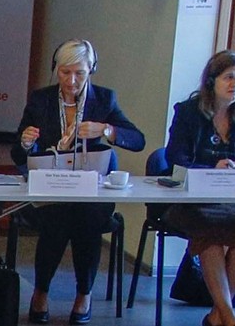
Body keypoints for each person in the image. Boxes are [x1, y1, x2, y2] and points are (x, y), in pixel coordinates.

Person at [12, 38, 145, 325]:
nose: (71, 81)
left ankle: (84, 293)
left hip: (90, 192)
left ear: (91, 70)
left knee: (87, 215)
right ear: (56, 69)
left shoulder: (104, 99)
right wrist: (26, 142)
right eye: (65, 73)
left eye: (79, 73)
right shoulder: (41, 100)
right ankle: (41, 291)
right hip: (52, 188)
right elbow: (17, 154)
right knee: (59, 215)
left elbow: (137, 140)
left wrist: (106, 130)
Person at [163, 50, 235, 326]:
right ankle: (230, 318)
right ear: (212, 81)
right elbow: (176, 158)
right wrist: (212, 168)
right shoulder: (188, 112)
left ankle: (217, 315)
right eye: (229, 77)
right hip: (192, 201)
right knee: (208, 230)